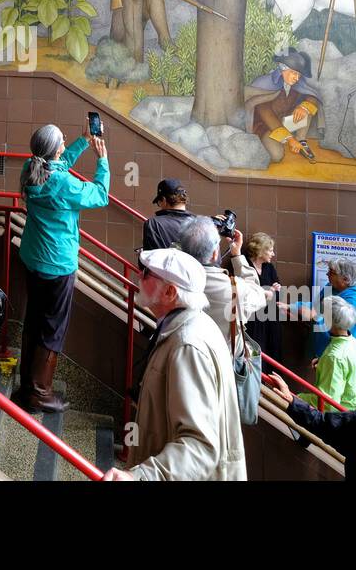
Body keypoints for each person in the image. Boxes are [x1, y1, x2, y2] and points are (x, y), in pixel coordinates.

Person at [103, 247, 247, 480]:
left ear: (170, 291)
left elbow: (200, 447)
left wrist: (141, 476)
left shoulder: (187, 346)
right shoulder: (189, 326)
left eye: (146, 273)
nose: (139, 275)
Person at [14, 121, 108, 413]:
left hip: (33, 258)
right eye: (63, 141)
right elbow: (100, 195)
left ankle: (27, 386)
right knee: (52, 328)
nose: (65, 143)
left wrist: (83, 141)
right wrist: (102, 160)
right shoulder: (65, 184)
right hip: (57, 266)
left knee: (33, 321)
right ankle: (40, 394)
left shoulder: (31, 168)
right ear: (55, 149)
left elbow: (58, 165)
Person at [176, 217, 264, 334]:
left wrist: (200, 228)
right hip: (223, 346)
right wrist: (237, 255)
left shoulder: (170, 281)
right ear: (214, 254)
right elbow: (258, 293)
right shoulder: (235, 288)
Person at [244, 48, 323, 162]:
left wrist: (303, 107)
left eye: (299, 75)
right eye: (294, 73)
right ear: (283, 69)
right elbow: (267, 115)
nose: (297, 78)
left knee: (307, 107)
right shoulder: (264, 84)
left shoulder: (297, 83)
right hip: (266, 127)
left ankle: (301, 140)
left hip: (283, 122)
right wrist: (290, 139)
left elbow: (312, 96)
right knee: (277, 155)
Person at [290, 258, 356, 358]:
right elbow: (317, 306)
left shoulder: (354, 302)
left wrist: (315, 317)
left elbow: (343, 336)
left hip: (338, 356)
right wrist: (293, 306)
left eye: (332, 272)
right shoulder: (331, 287)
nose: (327, 274)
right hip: (321, 352)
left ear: (345, 279)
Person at [299, 299, 356, 411]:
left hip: (345, 414)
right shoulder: (354, 343)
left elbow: (328, 403)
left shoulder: (334, 357)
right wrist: (323, 364)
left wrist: (298, 398)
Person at [243, 232, 282, 362]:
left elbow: (277, 291)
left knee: (272, 353)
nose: (273, 254)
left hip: (270, 319)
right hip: (252, 320)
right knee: (255, 353)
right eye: (270, 250)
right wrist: (268, 292)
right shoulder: (245, 266)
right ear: (260, 251)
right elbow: (245, 292)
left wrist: (274, 291)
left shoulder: (269, 267)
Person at [141, 178, 195, 250]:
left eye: (158, 203)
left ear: (164, 200)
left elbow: (152, 256)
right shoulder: (200, 223)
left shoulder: (153, 224)